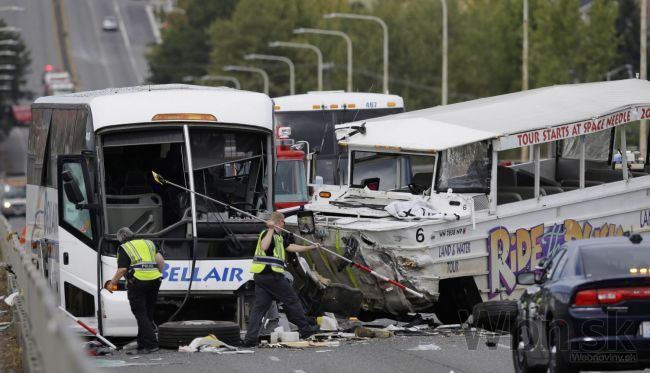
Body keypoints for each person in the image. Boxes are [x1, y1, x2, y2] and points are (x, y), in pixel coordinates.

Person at [242, 211, 320, 347]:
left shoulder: (279, 237)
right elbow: (264, 246)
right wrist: (271, 229)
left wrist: (310, 247)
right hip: (272, 276)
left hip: (262, 278)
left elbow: (291, 247)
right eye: (283, 222)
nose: (284, 225)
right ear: (280, 222)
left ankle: (250, 339)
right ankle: (306, 330)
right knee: (292, 300)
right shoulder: (268, 233)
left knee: (259, 309)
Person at [105, 227, 164, 354]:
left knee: (140, 313)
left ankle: (151, 344)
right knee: (148, 312)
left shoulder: (125, 247)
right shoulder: (149, 243)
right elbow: (161, 261)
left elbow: (122, 269)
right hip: (155, 280)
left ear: (121, 239)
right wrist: (156, 274)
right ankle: (142, 344)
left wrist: (112, 284)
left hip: (138, 282)